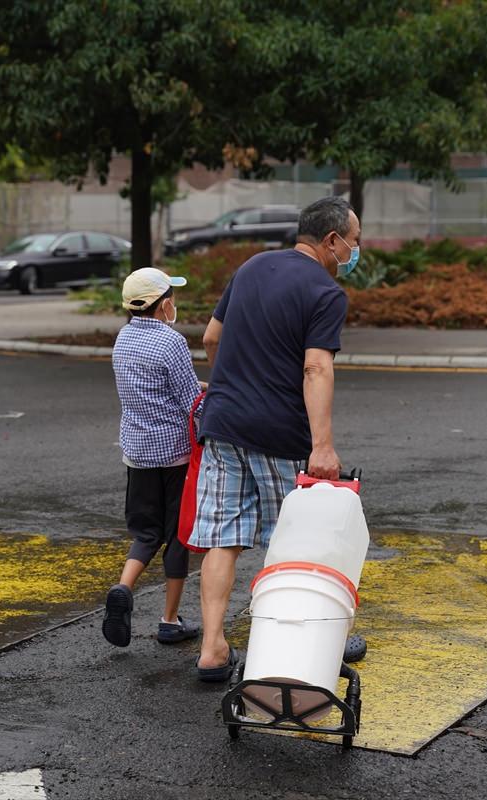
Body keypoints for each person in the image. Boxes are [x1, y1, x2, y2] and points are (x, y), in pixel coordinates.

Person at [188, 195, 359, 682]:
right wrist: (321, 445)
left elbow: (210, 339)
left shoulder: (252, 266)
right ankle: (312, 641)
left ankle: (212, 648)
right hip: (281, 433)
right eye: (354, 243)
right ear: (331, 241)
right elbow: (316, 366)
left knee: (223, 539)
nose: (354, 252)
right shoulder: (325, 293)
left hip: (222, 424)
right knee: (301, 541)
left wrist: (230, 387)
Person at [103, 267, 204, 648]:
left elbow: (153, 388)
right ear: (163, 305)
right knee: (177, 536)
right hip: (174, 454)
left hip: (138, 451)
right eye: (171, 298)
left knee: (146, 531)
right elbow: (188, 402)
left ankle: (123, 588)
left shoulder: (123, 339)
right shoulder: (171, 342)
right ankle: (170, 619)